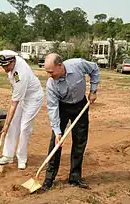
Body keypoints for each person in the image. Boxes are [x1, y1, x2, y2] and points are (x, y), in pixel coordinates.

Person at [42, 53, 100, 190]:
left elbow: (95, 69)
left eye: (51, 72)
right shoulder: (51, 84)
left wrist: (93, 90)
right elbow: (52, 107)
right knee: (56, 143)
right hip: (63, 107)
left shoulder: (78, 64)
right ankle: (49, 178)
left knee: (80, 141)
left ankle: (75, 177)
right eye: (47, 72)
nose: (49, 75)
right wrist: (57, 131)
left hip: (81, 105)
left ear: (60, 66)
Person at [0, 50, 44, 169]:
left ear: (13, 61)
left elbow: (14, 103)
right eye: (3, 66)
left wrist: (5, 124)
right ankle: (7, 156)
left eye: (7, 66)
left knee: (24, 127)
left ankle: (22, 158)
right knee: (13, 124)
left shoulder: (20, 74)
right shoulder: (11, 66)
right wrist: (9, 124)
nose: (5, 68)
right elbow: (15, 97)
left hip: (33, 98)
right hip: (21, 96)